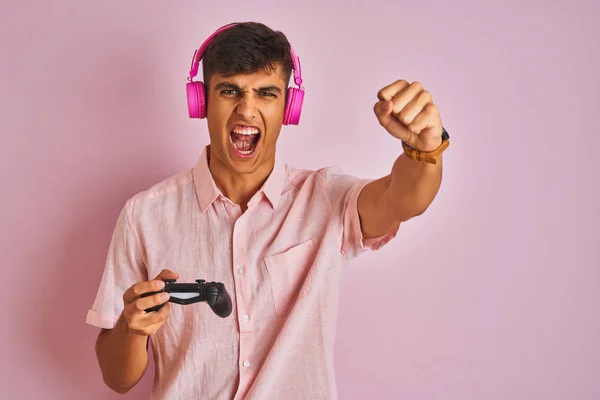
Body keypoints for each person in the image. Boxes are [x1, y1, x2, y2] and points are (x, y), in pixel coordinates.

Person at [86, 21, 449, 399]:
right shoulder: (144, 216)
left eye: (266, 93)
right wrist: (133, 328)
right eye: (230, 91)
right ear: (202, 102)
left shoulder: (326, 198)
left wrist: (425, 150)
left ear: (288, 107)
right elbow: (118, 378)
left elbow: (403, 198)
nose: (247, 110)